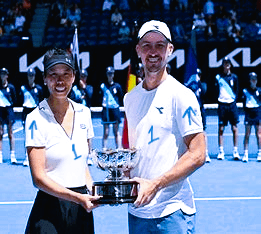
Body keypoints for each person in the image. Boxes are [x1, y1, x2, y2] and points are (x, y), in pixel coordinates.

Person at [124, 20, 206, 234]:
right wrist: (123, 173)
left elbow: (198, 154)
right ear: (138, 50)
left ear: (170, 50)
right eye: (147, 45)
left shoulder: (182, 95)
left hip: (172, 213)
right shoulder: (130, 98)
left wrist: (156, 184)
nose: (153, 51)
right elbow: (134, 150)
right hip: (138, 210)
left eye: (160, 45)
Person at [24, 48, 100, 233]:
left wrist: (95, 191)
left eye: (66, 74)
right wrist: (77, 198)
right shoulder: (34, 119)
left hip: (81, 209)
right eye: (53, 74)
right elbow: (39, 179)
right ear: (45, 78)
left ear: (74, 77)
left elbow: (82, 165)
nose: (60, 81)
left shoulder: (85, 114)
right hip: (50, 208)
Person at [215, 57, 240, 160]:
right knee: (221, 129)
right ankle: (221, 151)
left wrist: (233, 100)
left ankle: (235, 151)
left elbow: (237, 90)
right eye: (225, 63)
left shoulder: (234, 77)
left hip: (232, 105)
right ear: (223, 65)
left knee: (234, 128)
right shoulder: (218, 77)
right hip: (222, 105)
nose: (227, 65)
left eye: (228, 63)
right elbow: (215, 90)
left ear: (230, 65)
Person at [185, 68, 211, 162]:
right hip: (190, 110)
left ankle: (206, 152)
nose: (197, 77)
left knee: (203, 131)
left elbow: (205, 93)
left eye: (199, 75)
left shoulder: (202, 85)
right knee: (189, 132)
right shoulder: (189, 85)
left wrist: (198, 84)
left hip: (200, 109)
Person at [20, 68, 44, 166]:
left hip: (35, 112)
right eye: (29, 75)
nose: (31, 77)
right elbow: (19, 99)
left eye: (32, 75)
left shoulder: (39, 88)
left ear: (34, 77)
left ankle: (38, 157)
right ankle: (27, 157)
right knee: (27, 135)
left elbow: (42, 101)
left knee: (37, 135)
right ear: (27, 77)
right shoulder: (23, 88)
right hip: (26, 112)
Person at [100, 66, 123, 150]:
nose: (110, 75)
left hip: (115, 109)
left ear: (113, 75)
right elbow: (99, 96)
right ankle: (104, 149)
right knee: (106, 131)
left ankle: (118, 149)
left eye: (111, 74)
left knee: (116, 131)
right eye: (108, 74)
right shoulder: (103, 86)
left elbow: (121, 96)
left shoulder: (117, 86)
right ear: (106, 75)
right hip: (106, 110)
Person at [242, 72, 261, 162]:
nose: (253, 81)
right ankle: (245, 154)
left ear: (256, 80)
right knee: (247, 134)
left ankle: (260, 153)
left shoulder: (259, 91)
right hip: (249, 113)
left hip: (257, 113)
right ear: (249, 80)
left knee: (259, 134)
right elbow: (244, 104)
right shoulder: (245, 91)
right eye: (252, 79)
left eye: (255, 79)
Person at [0, 68, 17, 164]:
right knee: (0, 133)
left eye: (4, 74)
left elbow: (14, 99)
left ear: (7, 75)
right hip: (0, 111)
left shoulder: (11, 87)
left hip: (9, 110)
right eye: (1, 74)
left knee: (10, 133)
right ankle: (0, 155)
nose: (3, 76)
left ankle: (12, 155)